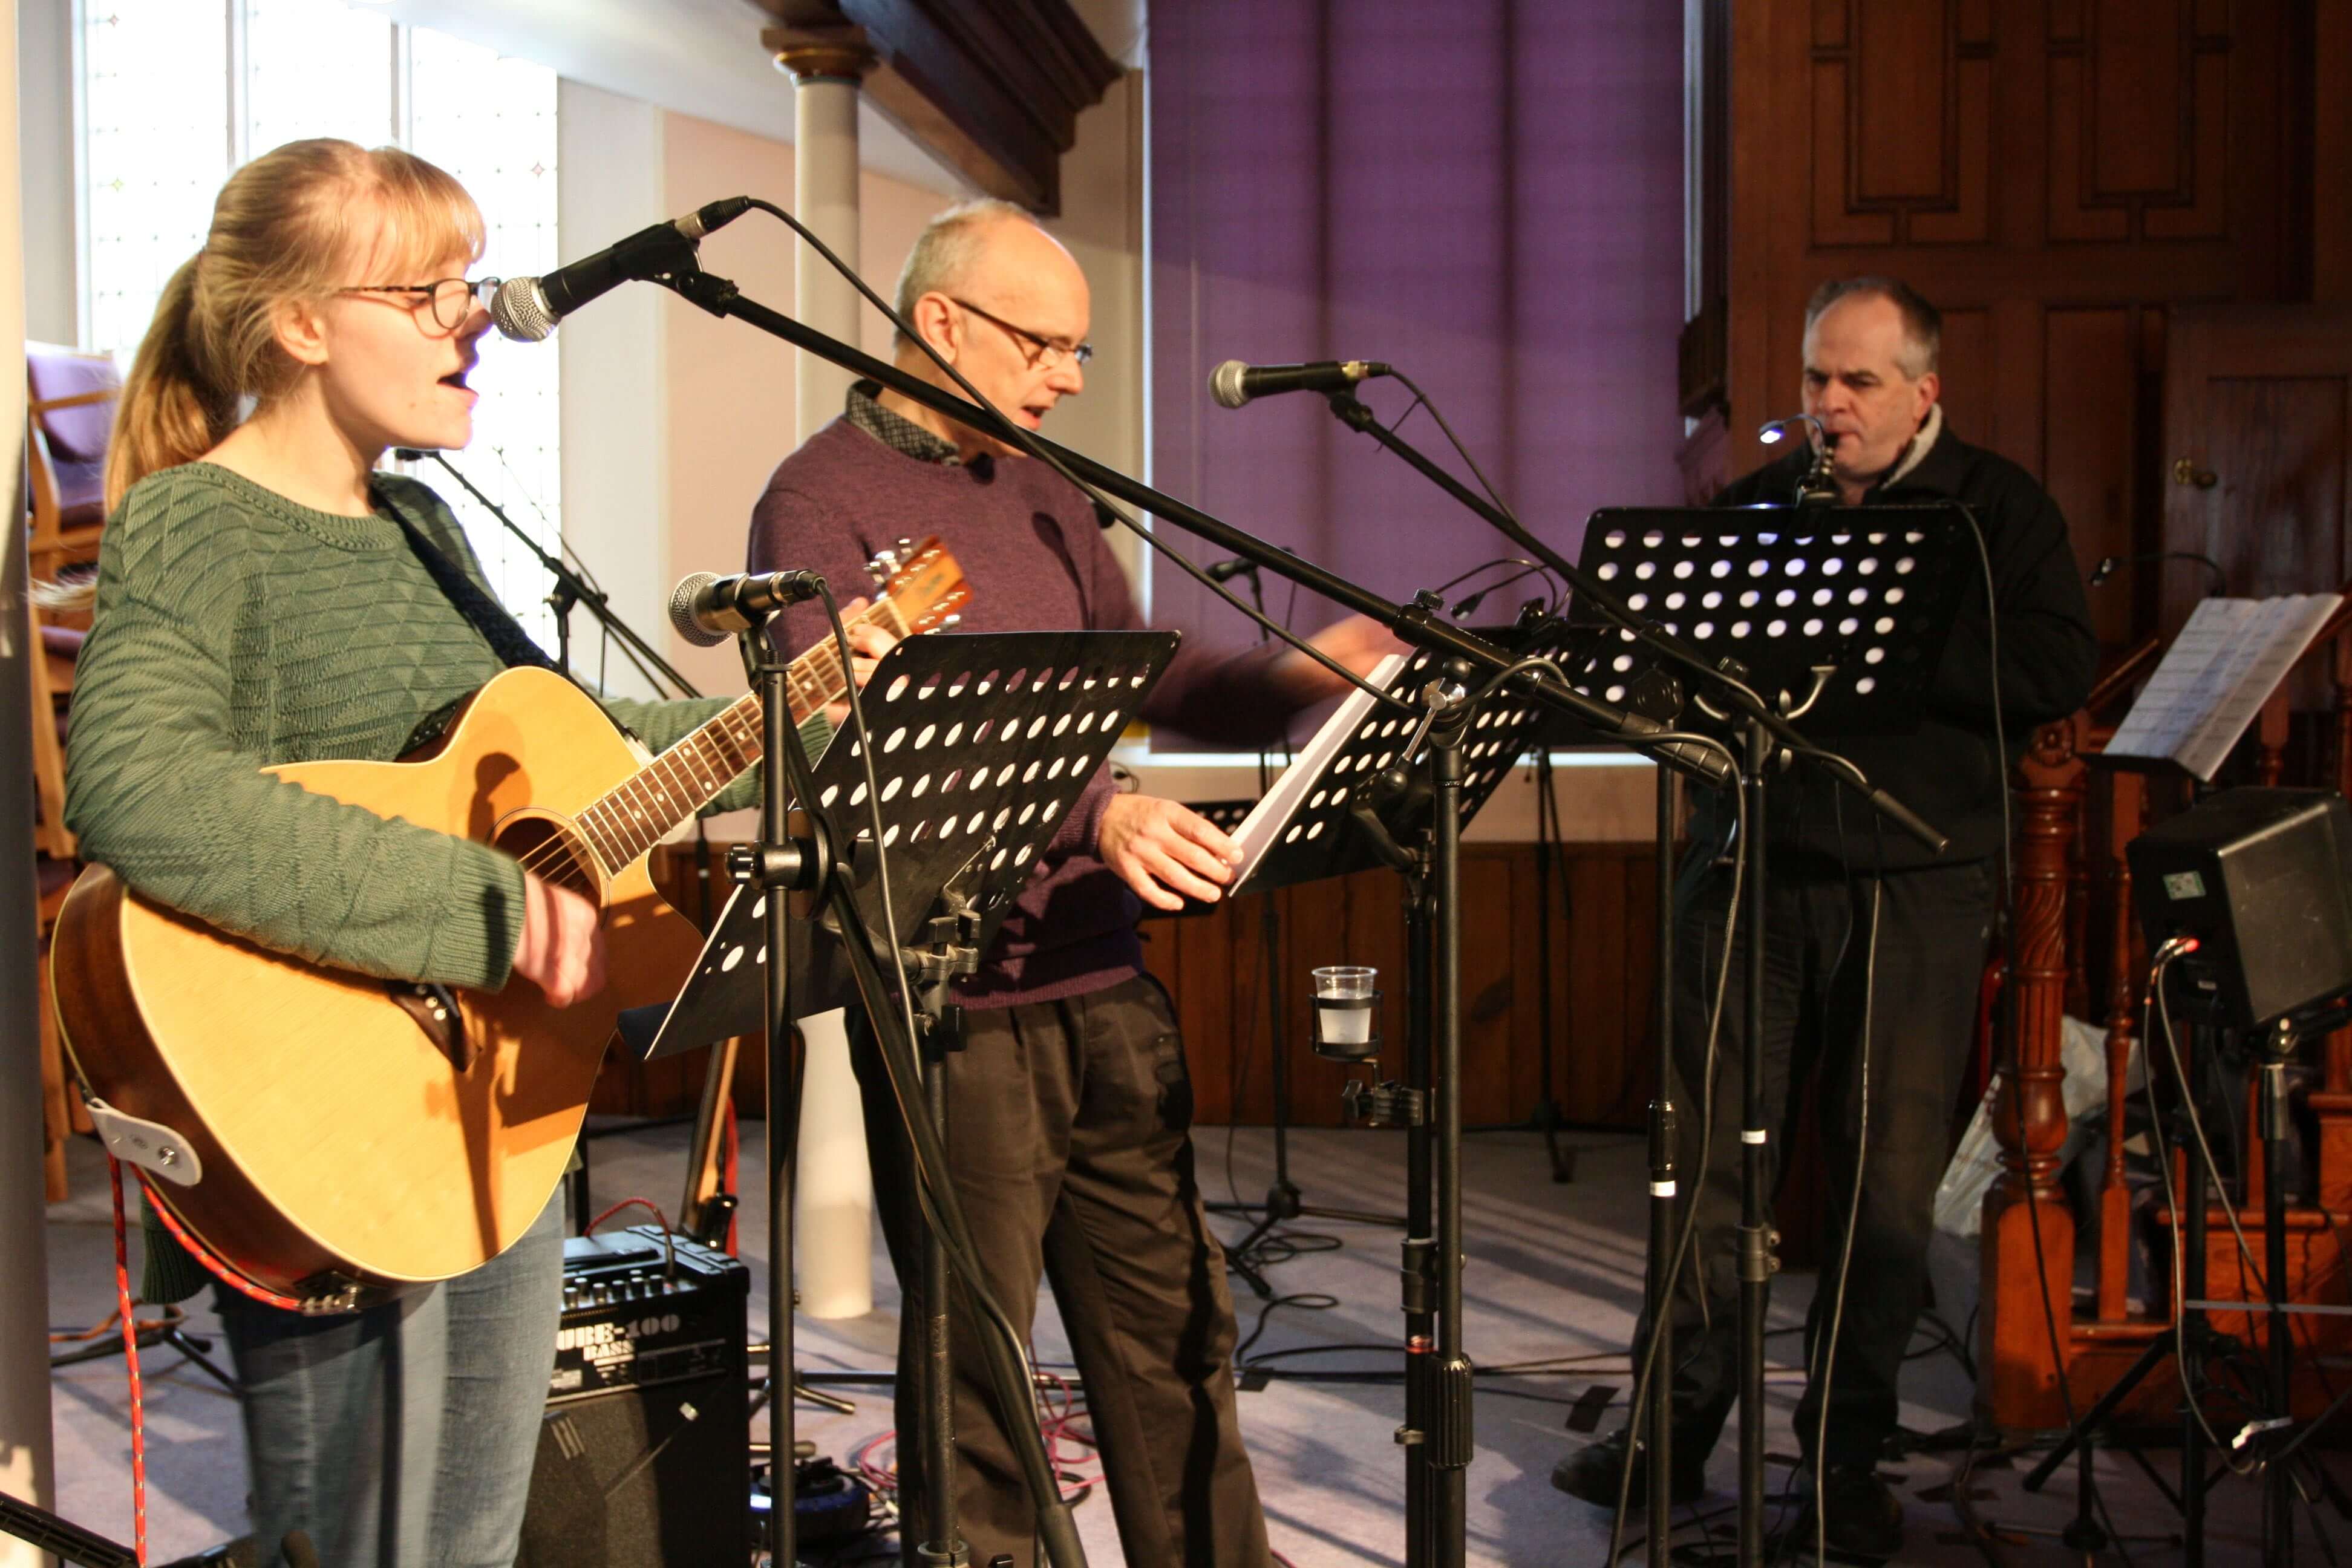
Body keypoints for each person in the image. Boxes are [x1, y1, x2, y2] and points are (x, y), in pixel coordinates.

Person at [61, 139, 763, 1567]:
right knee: (360, 1544)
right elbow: (133, 785)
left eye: (471, 281)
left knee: (474, 1536)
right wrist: (478, 909)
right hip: (316, 1110)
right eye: (430, 290)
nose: (474, 318)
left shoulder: (425, 522)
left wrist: (796, 712)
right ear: (303, 326)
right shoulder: (194, 522)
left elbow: (581, 737)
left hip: (482, 1093)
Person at [748, 198, 1397, 1568]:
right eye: (1045, 346)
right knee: (979, 1358)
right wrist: (1098, 812)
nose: (1065, 378)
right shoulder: (819, 499)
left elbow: (1143, 665)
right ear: (941, 324)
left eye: (1078, 354)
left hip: (1103, 975)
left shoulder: (1041, 488)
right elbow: (861, 750)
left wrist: (1296, 676)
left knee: (1174, 1334)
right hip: (955, 996)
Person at [1549, 278, 2098, 1558]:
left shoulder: (1995, 513)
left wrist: (1893, 644)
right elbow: (1657, 670)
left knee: (1880, 1189)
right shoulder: (1749, 514)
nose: (1828, 406)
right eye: (1814, 382)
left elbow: (2058, 667)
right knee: (1704, 1172)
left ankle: (1843, 1460)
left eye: (1855, 383)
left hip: (1916, 884)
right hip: (1748, 873)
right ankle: (1674, 1426)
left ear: (1924, 392)